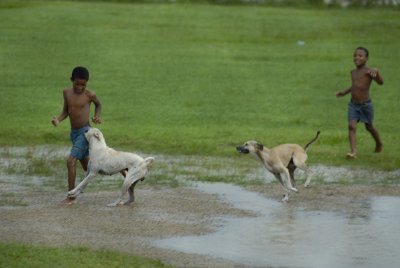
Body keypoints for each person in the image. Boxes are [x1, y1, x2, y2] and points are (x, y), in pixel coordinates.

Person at [52, 66, 102, 204]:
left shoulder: (89, 95)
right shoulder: (66, 93)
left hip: (85, 132)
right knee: (89, 167)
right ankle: (121, 168)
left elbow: (99, 105)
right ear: (71, 80)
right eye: (77, 84)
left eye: (83, 84)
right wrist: (58, 119)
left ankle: (71, 197)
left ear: (87, 83)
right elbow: (66, 112)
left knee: (71, 161)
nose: (80, 87)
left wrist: (96, 116)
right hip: (74, 134)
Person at [336, 47, 384, 159]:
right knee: (351, 126)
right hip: (353, 105)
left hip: (366, 105)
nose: (357, 57)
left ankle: (379, 143)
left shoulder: (369, 72)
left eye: (360, 56)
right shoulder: (353, 72)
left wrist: (377, 73)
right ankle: (353, 152)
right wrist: (343, 93)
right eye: (355, 55)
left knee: (369, 127)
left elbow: (381, 82)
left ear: (366, 58)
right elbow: (354, 86)